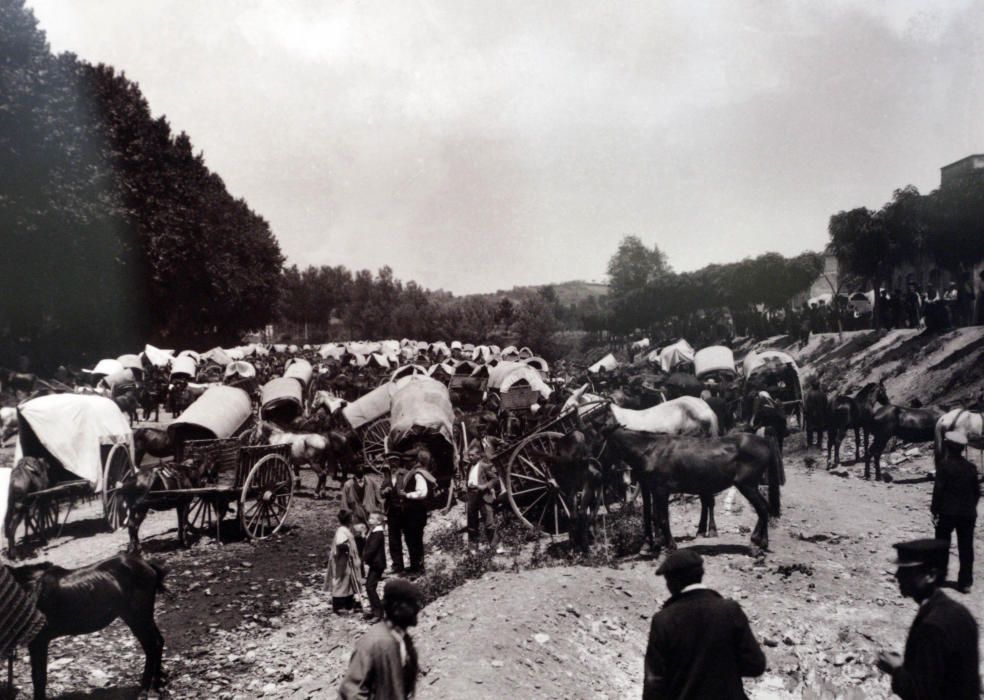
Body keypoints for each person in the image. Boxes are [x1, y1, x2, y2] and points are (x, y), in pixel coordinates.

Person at [643, 549, 766, 699]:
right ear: (700, 574)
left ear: (673, 582)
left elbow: (654, 683)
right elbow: (756, 665)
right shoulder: (729, 610)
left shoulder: (663, 620)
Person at [876, 539, 981, 698]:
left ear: (930, 575)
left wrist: (896, 669)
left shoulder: (932, 627)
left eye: (906, 571)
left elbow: (921, 694)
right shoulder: (959, 612)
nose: (897, 575)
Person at [338, 579, 423, 700]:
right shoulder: (374, 642)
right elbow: (351, 691)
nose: (417, 608)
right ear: (396, 607)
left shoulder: (403, 640)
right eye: (411, 603)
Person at [932, 430, 980, 593]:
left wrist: (934, 510)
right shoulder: (971, 467)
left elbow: (938, 490)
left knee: (941, 545)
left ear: (948, 447)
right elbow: (977, 492)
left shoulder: (944, 466)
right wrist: (970, 507)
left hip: (947, 512)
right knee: (966, 547)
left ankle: (939, 577)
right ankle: (965, 582)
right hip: (967, 514)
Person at [326, 510, 364, 614]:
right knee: (341, 581)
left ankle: (349, 602)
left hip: (346, 560)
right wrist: (347, 549)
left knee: (349, 581)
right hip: (342, 561)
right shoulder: (342, 531)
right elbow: (340, 545)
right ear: (349, 519)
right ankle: (338, 605)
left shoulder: (345, 529)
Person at [465, 442, 498, 553]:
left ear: (479, 456)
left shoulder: (484, 466)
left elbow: (494, 479)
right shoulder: (469, 466)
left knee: (489, 522)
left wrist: (485, 486)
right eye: (469, 455)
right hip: (472, 496)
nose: (470, 457)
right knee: (472, 523)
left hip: (483, 496)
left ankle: (495, 546)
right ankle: (473, 548)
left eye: (472, 455)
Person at [363, 511, 387, 622]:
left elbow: (372, 550)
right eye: (369, 518)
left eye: (372, 519)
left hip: (377, 564)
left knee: (370, 587)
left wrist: (363, 558)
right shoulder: (374, 532)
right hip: (376, 563)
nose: (369, 520)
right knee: (370, 586)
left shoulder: (378, 534)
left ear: (378, 522)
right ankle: (375, 609)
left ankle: (378, 613)